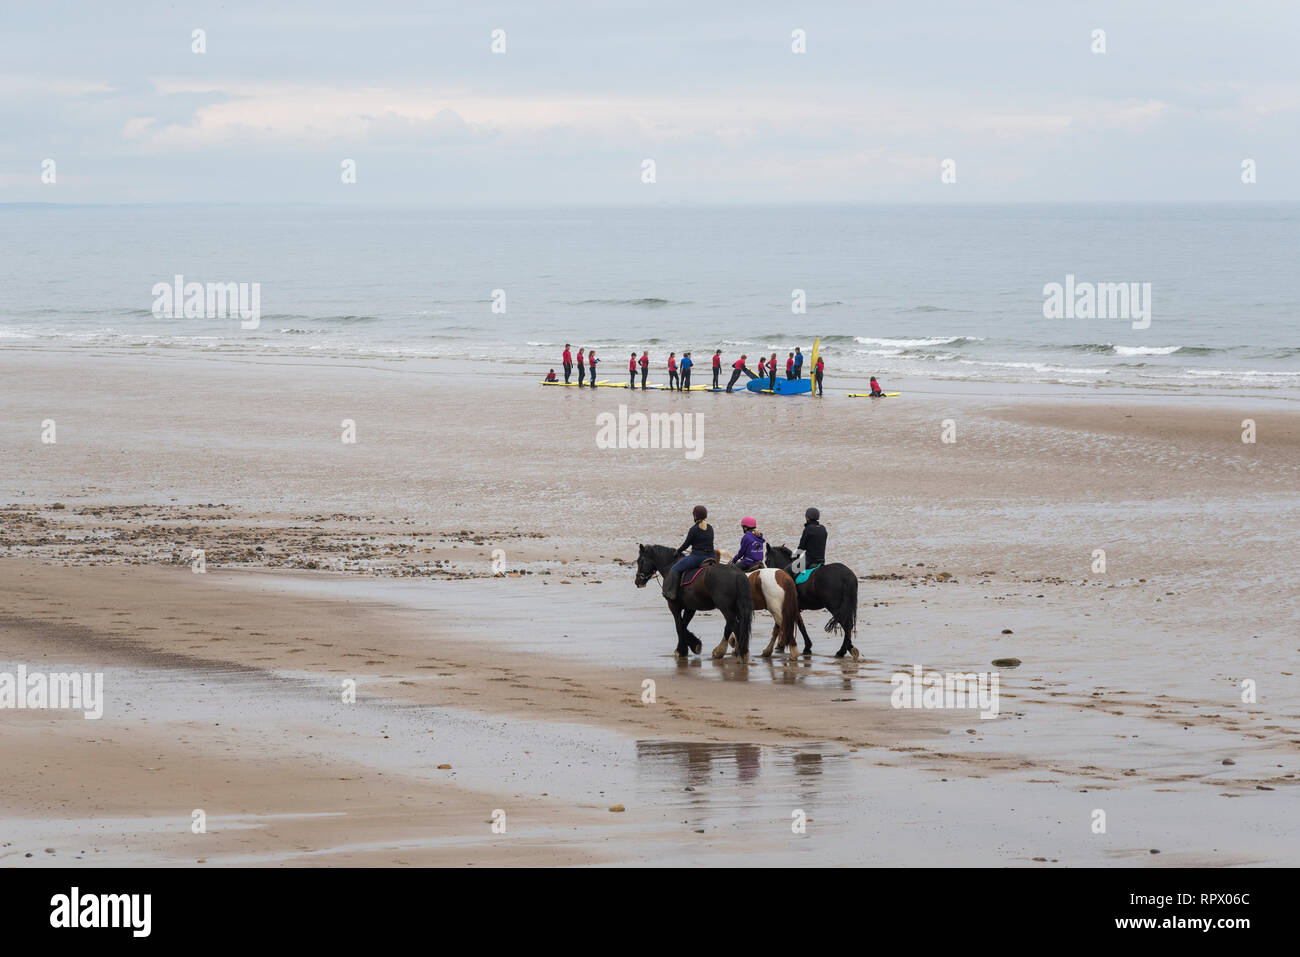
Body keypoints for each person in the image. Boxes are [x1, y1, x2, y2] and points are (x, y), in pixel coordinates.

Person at [664, 505, 714, 600]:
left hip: (698, 557)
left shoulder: (694, 529)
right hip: (711, 556)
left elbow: (686, 544)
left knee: (675, 568)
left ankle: (672, 593)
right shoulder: (710, 528)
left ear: (695, 516)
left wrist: (677, 551)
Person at [796, 507, 827, 580]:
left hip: (810, 561)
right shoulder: (823, 528)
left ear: (807, 518)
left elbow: (801, 547)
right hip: (821, 561)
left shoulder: (808, 529)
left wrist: (795, 558)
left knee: (793, 574)